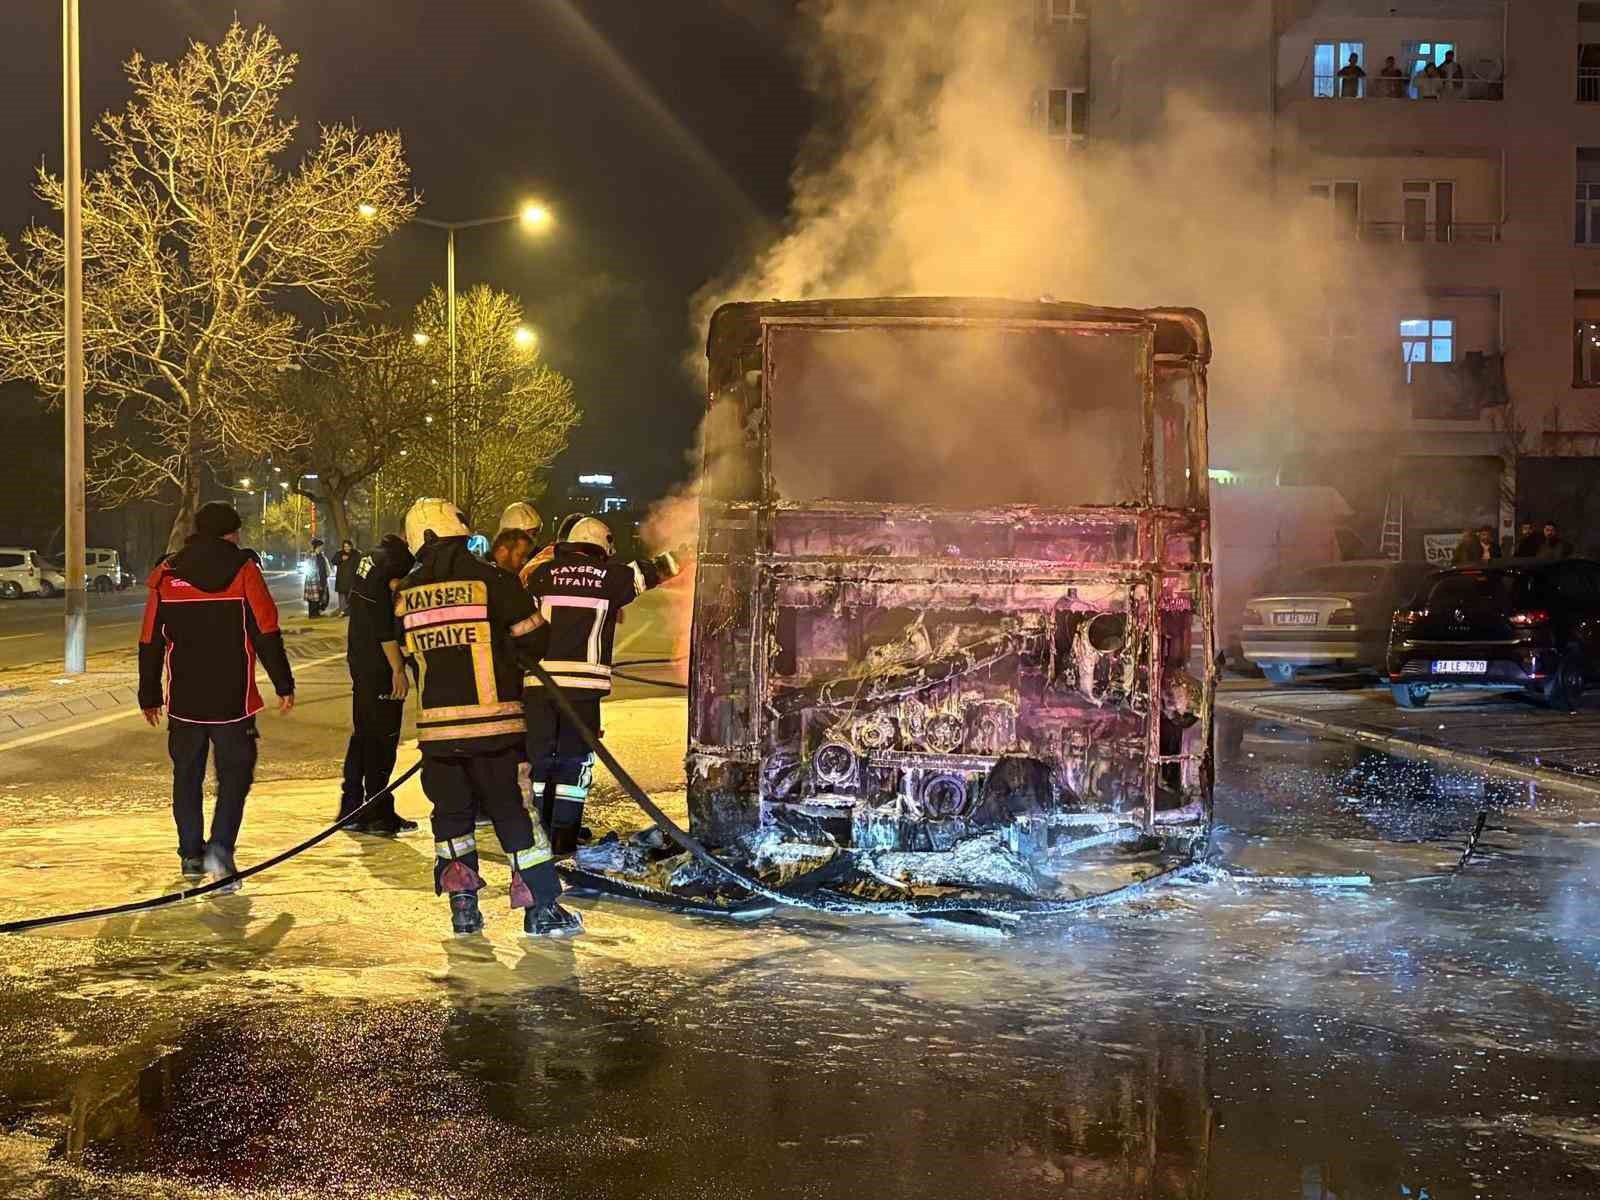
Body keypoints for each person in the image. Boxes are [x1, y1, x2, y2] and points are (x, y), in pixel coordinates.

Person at [395, 497, 577, 938]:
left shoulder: (406, 597)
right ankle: (541, 910)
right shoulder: (492, 581)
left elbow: (409, 653)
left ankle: (463, 908)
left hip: (437, 734)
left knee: (452, 818)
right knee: (514, 813)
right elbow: (536, 639)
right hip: (496, 729)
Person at [137, 502, 295, 885]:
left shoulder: (167, 575)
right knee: (234, 777)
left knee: (186, 776)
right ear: (232, 532)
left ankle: (191, 855)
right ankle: (220, 851)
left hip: (186, 703)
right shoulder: (244, 572)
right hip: (234, 703)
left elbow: (149, 640)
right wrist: (283, 683)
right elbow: (266, 629)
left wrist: (149, 693)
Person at [521, 516, 681, 856]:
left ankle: (534, 834)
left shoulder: (540, 574)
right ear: (600, 545)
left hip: (538, 683)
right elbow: (653, 571)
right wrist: (685, 552)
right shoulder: (611, 577)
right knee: (574, 762)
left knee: (538, 760)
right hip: (582, 688)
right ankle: (564, 834)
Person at [338, 533, 419, 837]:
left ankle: (353, 808)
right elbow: (384, 624)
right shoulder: (395, 563)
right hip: (380, 663)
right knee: (382, 740)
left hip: (359, 657)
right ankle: (377, 814)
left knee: (364, 734)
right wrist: (398, 668)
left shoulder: (369, 558)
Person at [304, 537, 331, 617]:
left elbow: (325, 566)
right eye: (320, 546)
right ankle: (313, 613)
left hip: (322, 578)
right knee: (313, 597)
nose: (321, 548)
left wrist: (327, 573)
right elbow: (310, 566)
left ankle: (317, 612)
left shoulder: (321, 556)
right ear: (317, 546)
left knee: (321, 596)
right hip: (313, 579)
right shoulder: (311, 555)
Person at [333, 539, 359, 617]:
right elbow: (333, 561)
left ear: (351, 546)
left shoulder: (356, 554)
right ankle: (342, 611)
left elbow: (359, 564)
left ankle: (349, 612)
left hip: (352, 579)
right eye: (345, 546)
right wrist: (341, 559)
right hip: (341, 579)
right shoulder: (339, 553)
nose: (346, 548)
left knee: (351, 596)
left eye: (348, 546)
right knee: (342, 597)